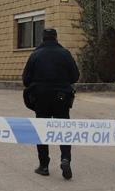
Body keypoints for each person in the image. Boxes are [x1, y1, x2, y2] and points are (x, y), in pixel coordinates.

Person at [22, 28, 79, 180]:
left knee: (42, 131)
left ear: (43, 38)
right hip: (62, 97)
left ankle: (44, 165)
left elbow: (26, 79)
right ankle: (65, 159)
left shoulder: (35, 55)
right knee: (63, 129)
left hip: (41, 98)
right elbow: (75, 76)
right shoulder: (65, 54)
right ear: (56, 37)